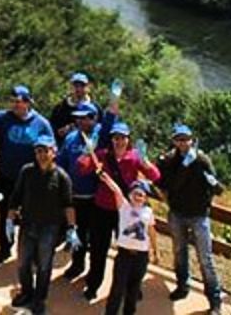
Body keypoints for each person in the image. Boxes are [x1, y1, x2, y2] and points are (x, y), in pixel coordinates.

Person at [78, 122, 160, 303]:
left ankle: (132, 286)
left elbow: (155, 176)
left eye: (123, 138)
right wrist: (87, 151)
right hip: (101, 209)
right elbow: (82, 168)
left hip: (125, 212)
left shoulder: (134, 158)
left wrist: (145, 161)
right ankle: (93, 285)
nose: (119, 141)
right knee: (98, 250)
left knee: (129, 251)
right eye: (116, 138)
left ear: (128, 139)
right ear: (111, 139)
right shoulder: (101, 156)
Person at [0, 84, 54, 264]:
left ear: (28, 102)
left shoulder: (41, 123)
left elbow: (52, 149)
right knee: (5, 215)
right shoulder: (4, 118)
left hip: (31, 180)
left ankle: (30, 254)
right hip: (7, 177)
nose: (15, 105)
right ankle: (4, 248)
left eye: (18, 102)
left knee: (30, 217)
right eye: (12, 102)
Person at [156, 123, 224, 314]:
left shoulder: (202, 160)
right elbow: (165, 182)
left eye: (185, 139)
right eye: (179, 139)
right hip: (177, 213)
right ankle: (182, 286)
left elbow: (217, 187)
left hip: (199, 215)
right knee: (179, 252)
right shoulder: (171, 160)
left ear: (191, 140)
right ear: (174, 141)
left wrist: (207, 197)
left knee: (206, 259)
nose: (182, 143)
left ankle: (215, 299)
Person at [7, 135, 78, 315]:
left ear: (53, 152)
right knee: (23, 263)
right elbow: (15, 197)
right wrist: (9, 219)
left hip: (50, 229)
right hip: (27, 224)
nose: (42, 155)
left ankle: (39, 299)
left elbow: (68, 205)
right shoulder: (27, 171)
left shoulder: (62, 177)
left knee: (44, 266)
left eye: (46, 151)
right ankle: (26, 292)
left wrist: (71, 228)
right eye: (38, 151)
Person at [58, 102, 112, 282]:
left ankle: (94, 274)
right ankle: (77, 264)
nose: (80, 121)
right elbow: (61, 163)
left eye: (85, 117)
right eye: (78, 117)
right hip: (75, 197)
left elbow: (111, 118)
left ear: (94, 118)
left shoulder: (101, 135)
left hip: (96, 199)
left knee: (96, 240)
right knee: (77, 234)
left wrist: (114, 98)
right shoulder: (71, 138)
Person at [97, 171, 156, 315]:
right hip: (124, 255)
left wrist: (155, 250)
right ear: (129, 195)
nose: (138, 197)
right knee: (118, 288)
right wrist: (106, 178)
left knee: (134, 289)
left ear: (145, 198)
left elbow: (152, 232)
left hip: (141, 257)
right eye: (135, 193)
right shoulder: (124, 207)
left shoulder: (148, 212)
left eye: (141, 195)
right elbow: (116, 189)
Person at [49, 72, 94, 140]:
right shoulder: (60, 108)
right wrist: (59, 132)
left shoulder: (94, 107)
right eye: (76, 86)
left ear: (87, 88)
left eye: (82, 86)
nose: (78, 89)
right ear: (71, 87)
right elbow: (51, 130)